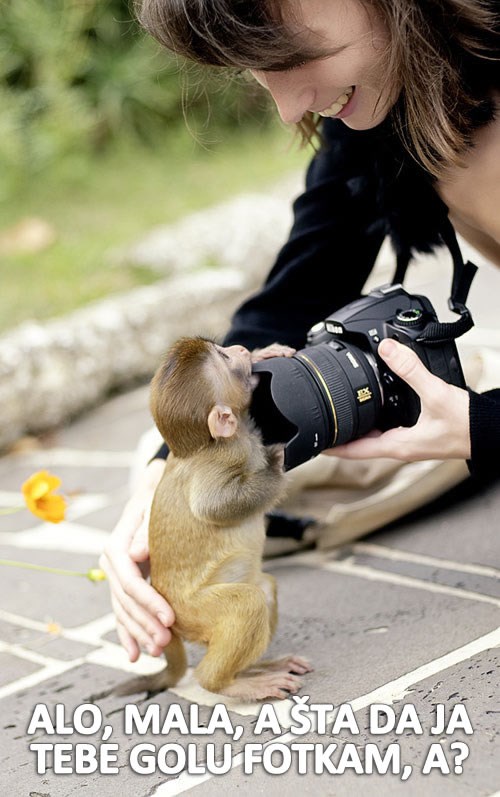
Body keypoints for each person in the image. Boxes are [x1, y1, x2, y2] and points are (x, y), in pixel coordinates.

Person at [100, 0, 500, 662]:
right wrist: (167, 476)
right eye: (261, 69)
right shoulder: (389, 92)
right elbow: (303, 284)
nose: (290, 108)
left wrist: (480, 428)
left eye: (294, 56)